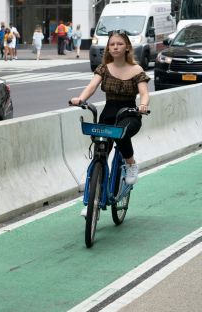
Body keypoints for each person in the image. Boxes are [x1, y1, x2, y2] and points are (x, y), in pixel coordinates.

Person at [69, 30, 150, 199]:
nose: (115, 47)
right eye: (112, 44)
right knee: (100, 150)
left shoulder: (136, 69)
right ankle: (93, 199)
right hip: (109, 113)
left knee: (121, 133)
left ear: (127, 47)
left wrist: (143, 105)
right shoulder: (104, 68)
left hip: (129, 113)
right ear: (108, 48)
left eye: (119, 44)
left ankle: (131, 164)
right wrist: (80, 99)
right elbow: (91, 87)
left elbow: (144, 93)